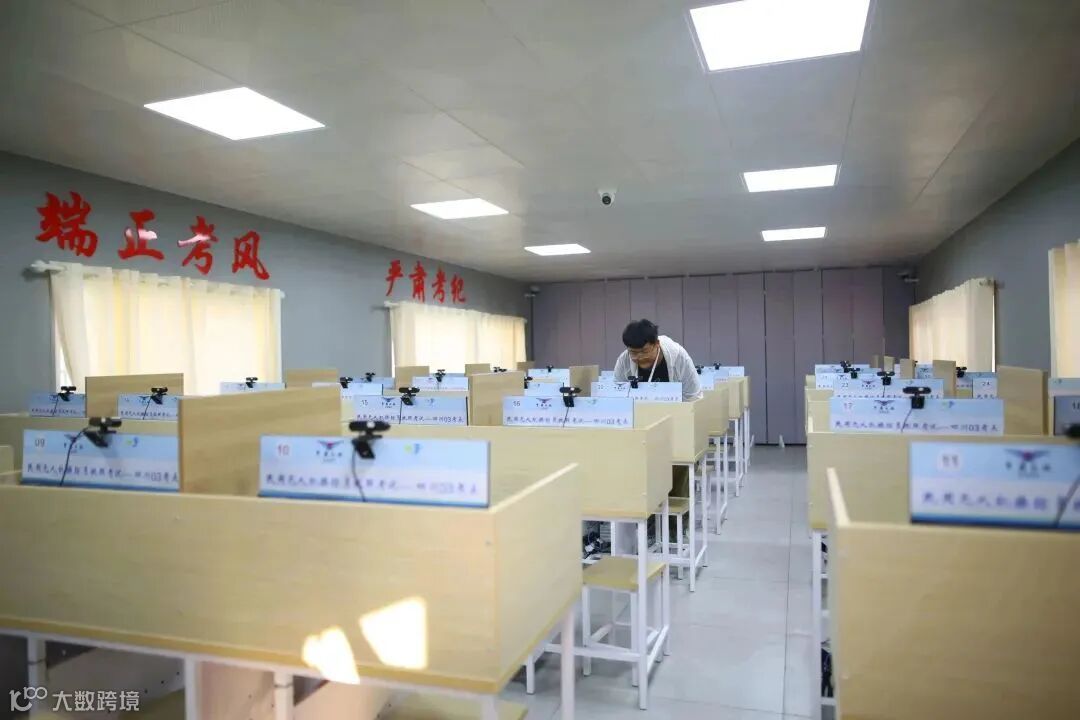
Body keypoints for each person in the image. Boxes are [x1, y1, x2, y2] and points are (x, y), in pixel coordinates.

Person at [614, 319, 703, 401]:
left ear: (657, 344)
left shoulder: (679, 357)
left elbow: (693, 397)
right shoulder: (623, 361)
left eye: (644, 351)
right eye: (633, 352)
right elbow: (617, 397)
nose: (640, 357)